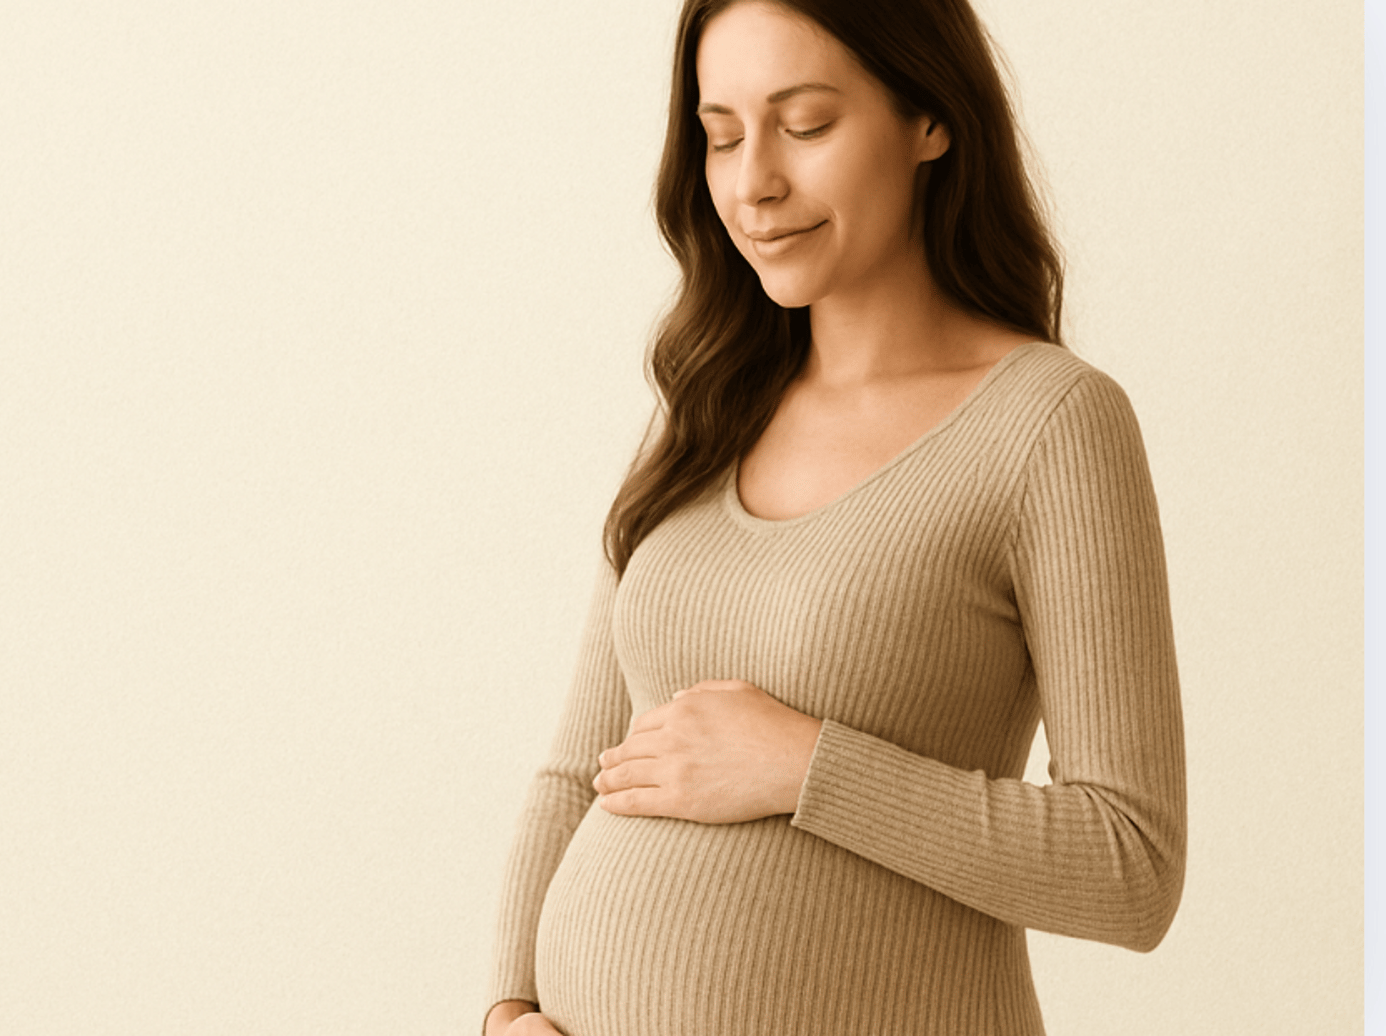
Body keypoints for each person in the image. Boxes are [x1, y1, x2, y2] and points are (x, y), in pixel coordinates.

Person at [482, 1, 1186, 1034]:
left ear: (930, 120)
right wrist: (509, 1008)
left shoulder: (1050, 424)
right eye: (720, 136)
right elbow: (580, 768)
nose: (753, 182)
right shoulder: (705, 407)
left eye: (805, 124)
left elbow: (1131, 863)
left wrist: (804, 764)